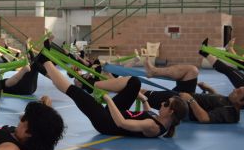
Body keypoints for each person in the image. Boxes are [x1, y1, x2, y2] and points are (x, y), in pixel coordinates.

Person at [39, 48, 186, 138]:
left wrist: (107, 99)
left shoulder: (153, 127)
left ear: (171, 112)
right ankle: (92, 85)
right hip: (117, 112)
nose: (162, 103)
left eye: (166, 104)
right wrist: (144, 100)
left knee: (75, 92)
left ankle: (45, 61)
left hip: (107, 123)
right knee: (135, 82)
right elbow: (146, 114)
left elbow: (122, 123)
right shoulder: (160, 120)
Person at [141, 57, 244, 124]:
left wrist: (191, 100)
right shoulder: (230, 102)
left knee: (142, 93)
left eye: (238, 92)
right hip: (189, 96)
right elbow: (218, 103)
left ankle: (126, 86)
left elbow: (204, 118)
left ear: (241, 102)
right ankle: (153, 71)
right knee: (192, 70)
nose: (235, 89)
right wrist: (210, 90)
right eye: (238, 88)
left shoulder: (230, 113)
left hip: (183, 105)